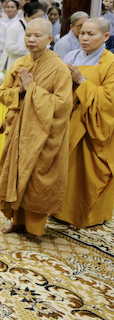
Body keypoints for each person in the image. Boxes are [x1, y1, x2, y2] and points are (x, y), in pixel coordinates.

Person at [0, 18, 72, 242]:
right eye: (28, 35)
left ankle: (36, 229)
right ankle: (17, 222)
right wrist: (20, 91)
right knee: (16, 174)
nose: (31, 39)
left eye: (37, 36)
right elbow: (2, 93)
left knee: (37, 180)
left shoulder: (59, 68)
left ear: (50, 39)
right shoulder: (19, 64)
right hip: (19, 131)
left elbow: (63, 104)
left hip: (43, 133)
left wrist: (33, 90)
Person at [55, 18, 114, 229]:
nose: (85, 38)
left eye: (91, 34)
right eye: (82, 33)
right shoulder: (71, 56)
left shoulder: (110, 62)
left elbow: (109, 100)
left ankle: (85, 215)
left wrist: (81, 81)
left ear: (105, 36)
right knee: (66, 168)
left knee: (87, 172)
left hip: (93, 126)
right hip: (69, 120)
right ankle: (61, 210)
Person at [0, 1, 46, 74]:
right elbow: (9, 48)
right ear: (27, 15)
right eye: (35, 18)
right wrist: (30, 48)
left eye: (41, 19)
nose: (38, 22)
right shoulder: (15, 27)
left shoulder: (38, 27)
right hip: (16, 64)